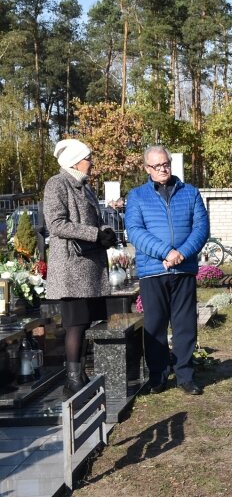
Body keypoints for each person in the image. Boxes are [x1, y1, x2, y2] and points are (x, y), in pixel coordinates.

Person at [125, 145, 209, 396]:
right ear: (146, 168)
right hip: (154, 270)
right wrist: (166, 253)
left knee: (184, 325)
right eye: (157, 166)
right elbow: (135, 232)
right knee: (155, 325)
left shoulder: (190, 193)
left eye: (166, 164)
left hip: (183, 269)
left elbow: (201, 228)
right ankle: (158, 376)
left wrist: (181, 254)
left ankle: (185, 375)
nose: (163, 169)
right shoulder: (137, 196)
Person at [43, 138, 116, 397]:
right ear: (75, 161)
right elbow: (57, 224)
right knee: (75, 324)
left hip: (88, 266)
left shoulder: (85, 187)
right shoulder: (57, 183)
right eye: (88, 158)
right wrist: (95, 235)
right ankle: (73, 380)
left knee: (84, 323)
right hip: (72, 268)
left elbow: (93, 222)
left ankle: (80, 374)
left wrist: (106, 233)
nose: (92, 162)